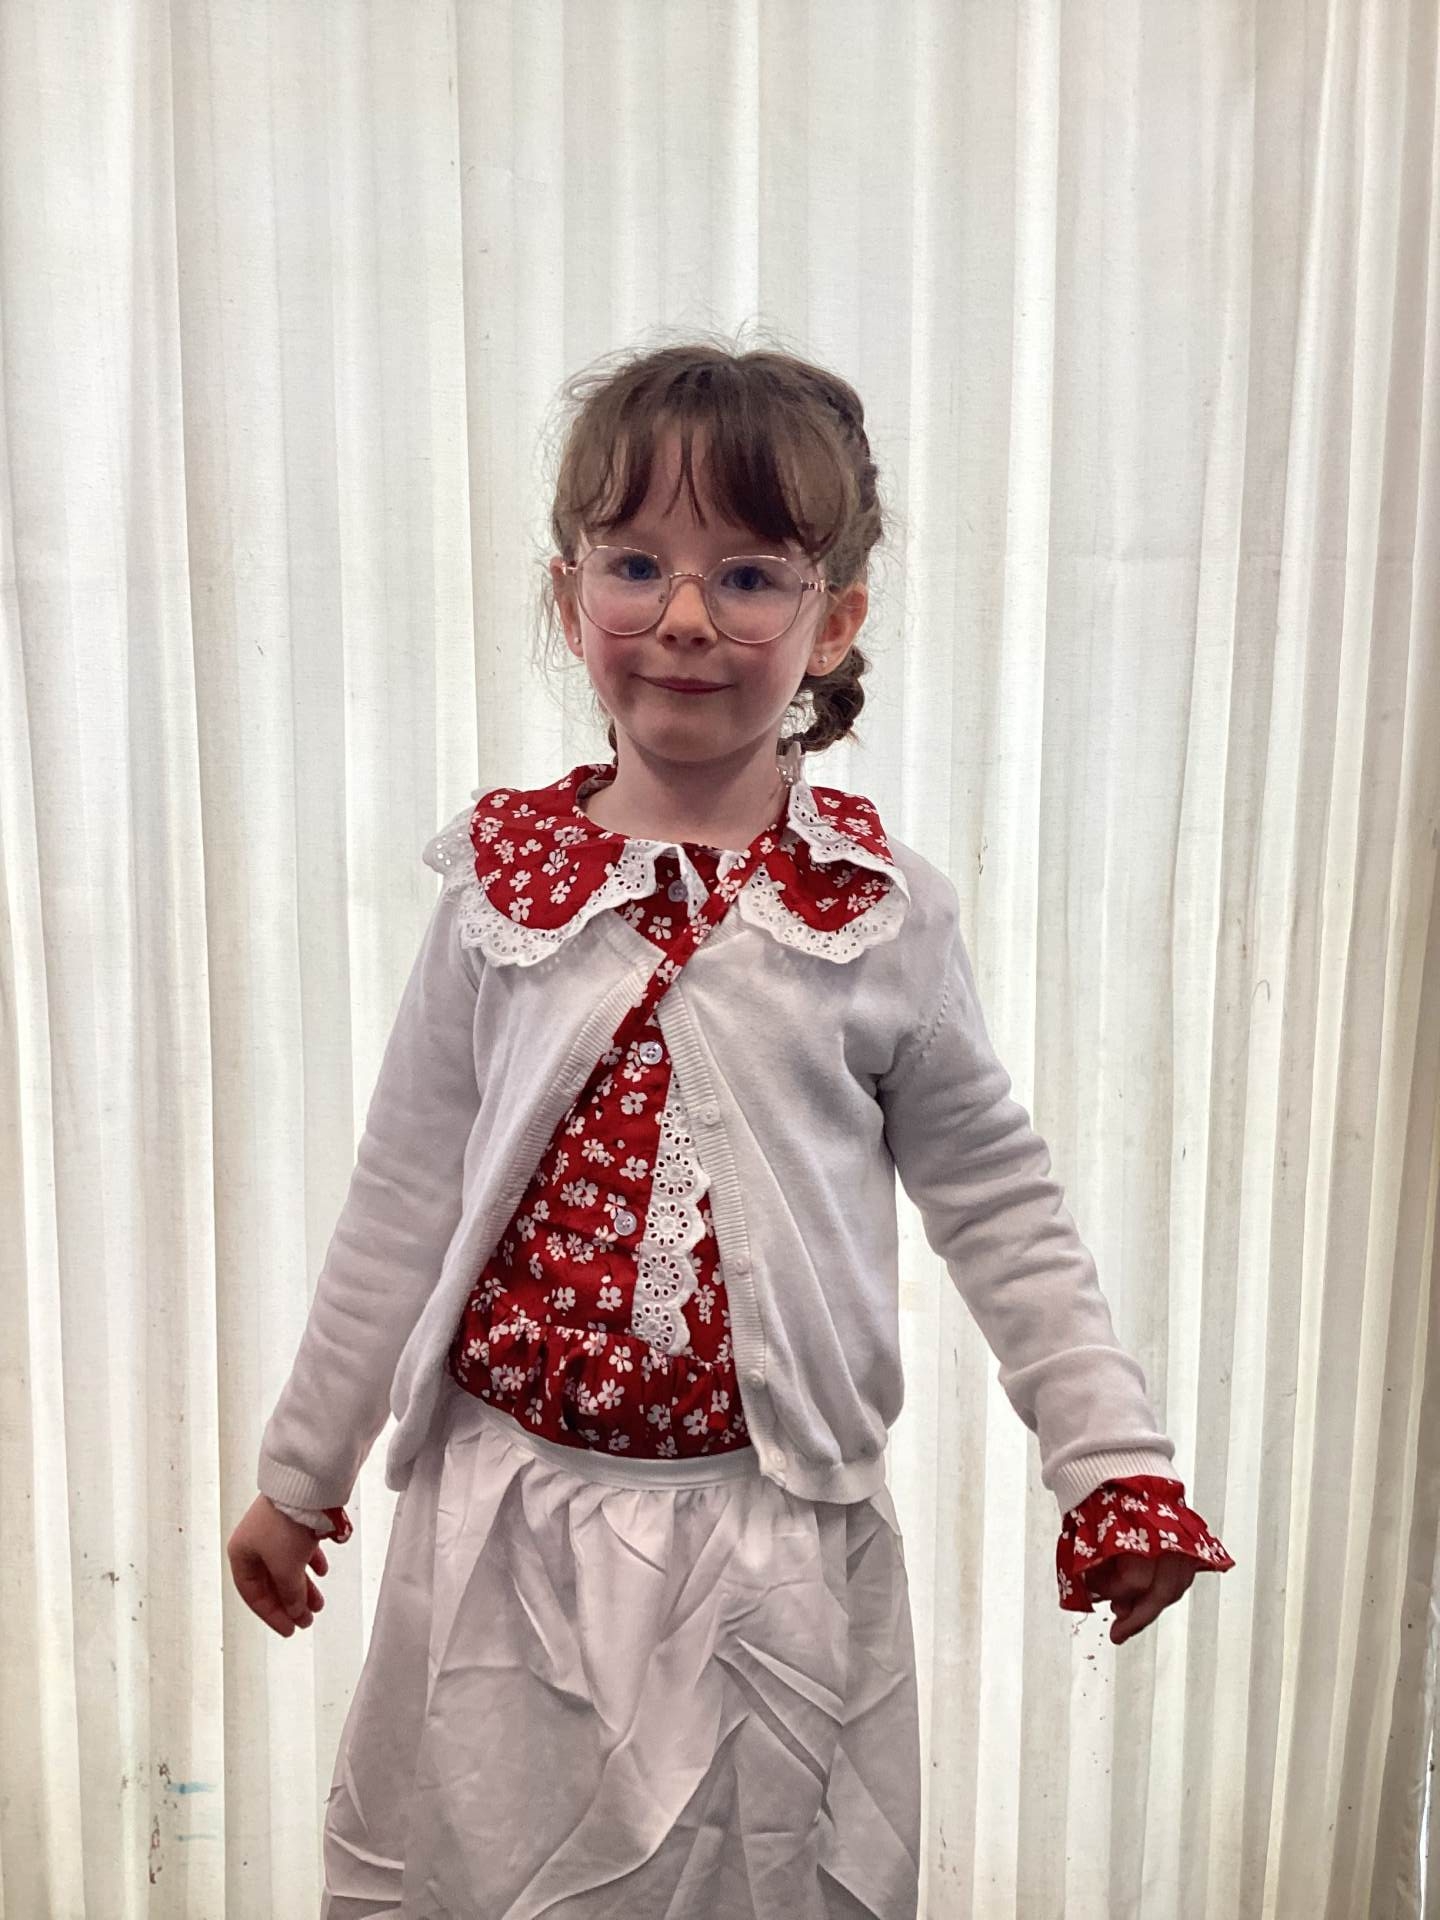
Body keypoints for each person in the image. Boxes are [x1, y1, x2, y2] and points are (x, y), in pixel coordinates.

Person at [227, 339, 1235, 1919]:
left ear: (832, 621)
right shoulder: (501, 898)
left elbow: (1001, 1205)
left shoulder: (879, 917)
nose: (686, 616)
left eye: (749, 574)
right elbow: (402, 1194)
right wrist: (302, 1474)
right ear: (571, 596)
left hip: (766, 1556)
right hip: (506, 1529)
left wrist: (1111, 1461)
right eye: (638, 563)